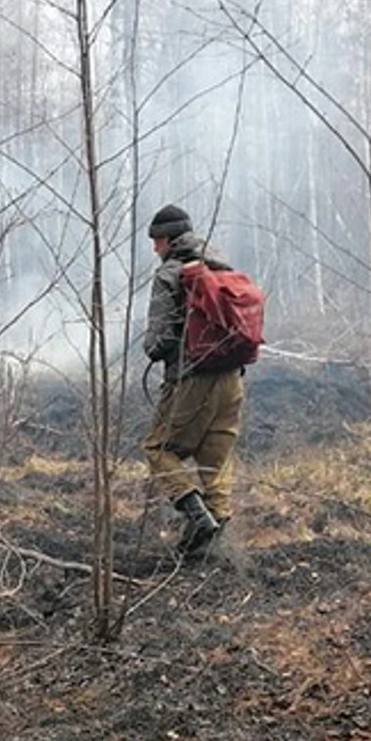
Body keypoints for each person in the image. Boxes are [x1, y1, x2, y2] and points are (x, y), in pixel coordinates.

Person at [141, 204, 246, 560]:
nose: (155, 248)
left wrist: (152, 348)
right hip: (232, 377)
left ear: (169, 239)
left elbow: (159, 341)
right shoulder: (222, 266)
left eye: (157, 240)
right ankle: (211, 546)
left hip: (192, 378)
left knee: (159, 448)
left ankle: (197, 516)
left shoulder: (171, 274)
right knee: (214, 461)